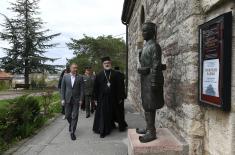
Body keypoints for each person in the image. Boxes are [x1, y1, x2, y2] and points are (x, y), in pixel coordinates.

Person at [136, 22, 165, 143]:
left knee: (150, 105)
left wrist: (154, 82)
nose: (143, 33)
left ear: (152, 32)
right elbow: (146, 64)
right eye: (142, 31)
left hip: (151, 80)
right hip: (145, 80)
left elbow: (156, 65)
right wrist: (141, 69)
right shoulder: (146, 46)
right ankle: (149, 127)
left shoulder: (155, 46)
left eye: (146, 30)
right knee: (146, 105)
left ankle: (151, 132)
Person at [92, 56, 121, 138]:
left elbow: (119, 86)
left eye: (108, 63)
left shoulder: (115, 74)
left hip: (113, 97)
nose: (107, 64)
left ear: (110, 63)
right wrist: (95, 98)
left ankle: (111, 125)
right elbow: (96, 88)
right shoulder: (99, 75)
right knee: (103, 113)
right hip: (103, 98)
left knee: (113, 112)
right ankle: (103, 131)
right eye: (105, 63)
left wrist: (120, 97)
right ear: (102, 65)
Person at [61, 63, 84, 140]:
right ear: (70, 68)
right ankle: (71, 124)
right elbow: (62, 89)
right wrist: (62, 99)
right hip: (67, 99)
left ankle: (72, 132)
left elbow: (82, 90)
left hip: (76, 100)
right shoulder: (65, 77)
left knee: (74, 115)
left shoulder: (80, 77)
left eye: (76, 68)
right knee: (67, 115)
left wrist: (81, 99)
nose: (75, 69)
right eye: (74, 68)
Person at [114, 66, 128, 131]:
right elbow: (123, 86)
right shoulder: (122, 75)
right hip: (121, 95)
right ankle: (122, 125)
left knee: (118, 111)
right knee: (120, 111)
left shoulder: (114, 74)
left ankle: (121, 126)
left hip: (117, 95)